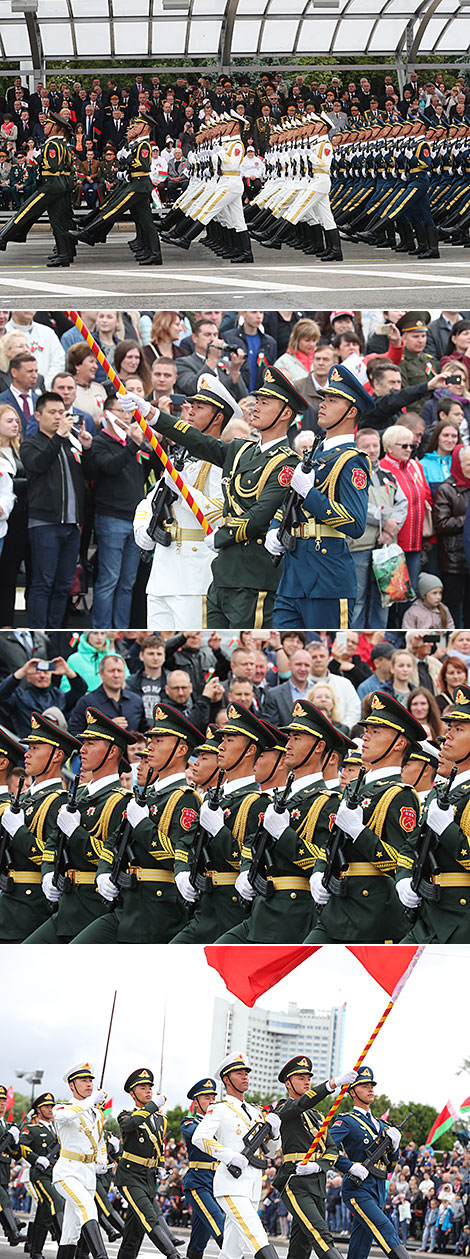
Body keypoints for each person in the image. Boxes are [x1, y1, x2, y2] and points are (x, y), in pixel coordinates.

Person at [122, 366, 303, 628]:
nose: (256, 406)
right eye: (257, 400)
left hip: (249, 573)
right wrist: (151, 414)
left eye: (265, 402)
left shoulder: (287, 462)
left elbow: (259, 515)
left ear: (286, 413)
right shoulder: (241, 451)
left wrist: (219, 534)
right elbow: (197, 440)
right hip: (218, 575)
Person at [219, 701, 350, 943]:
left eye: (297, 738)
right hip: (261, 910)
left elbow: (326, 862)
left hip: (293, 915)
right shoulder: (278, 799)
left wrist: (284, 835)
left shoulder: (329, 802)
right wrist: (247, 869)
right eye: (289, 737)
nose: (287, 745)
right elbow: (252, 843)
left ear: (319, 747)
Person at [74, 702, 201, 944]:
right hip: (128, 904)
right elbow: (113, 843)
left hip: (158, 909)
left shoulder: (185, 798)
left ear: (181, 749)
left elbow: (178, 856)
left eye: (159, 741)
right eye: (151, 741)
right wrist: (103, 873)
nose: (150, 748)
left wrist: (142, 824)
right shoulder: (145, 797)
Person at [307, 692, 426, 943]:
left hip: (372, 917)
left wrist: (359, 833)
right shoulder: (353, 789)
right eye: (366, 731)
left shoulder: (400, 795)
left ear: (398, 743)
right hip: (337, 910)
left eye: (375, 732)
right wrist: (319, 871)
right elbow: (330, 844)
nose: (365, 738)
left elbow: (401, 862)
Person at [266, 364, 373, 629]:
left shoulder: (351, 461)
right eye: (324, 398)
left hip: (327, 578)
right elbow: (288, 504)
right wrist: (275, 527)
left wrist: (310, 494)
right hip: (293, 575)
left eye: (332, 400)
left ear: (351, 412)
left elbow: (355, 524)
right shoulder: (316, 454)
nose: (323, 404)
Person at [133, 376, 240, 629]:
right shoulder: (182, 455)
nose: (190, 411)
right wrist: (141, 527)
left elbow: (221, 515)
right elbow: (149, 499)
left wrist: (184, 490)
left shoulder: (222, 462)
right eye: (191, 405)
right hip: (162, 571)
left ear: (218, 418)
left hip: (194, 576)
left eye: (200, 408)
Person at [173, 703, 271, 942]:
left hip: (233, 909)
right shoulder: (213, 798)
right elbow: (185, 844)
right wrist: (182, 872)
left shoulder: (258, 802)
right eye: (222, 739)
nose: (221, 746)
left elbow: (250, 861)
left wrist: (218, 831)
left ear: (249, 751)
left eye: (229, 740)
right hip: (204, 908)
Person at [397, 683, 470, 941]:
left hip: (462, 921)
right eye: (449, 728)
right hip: (427, 918)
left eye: (458, 729)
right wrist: (404, 879)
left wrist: (448, 831)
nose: (447, 736)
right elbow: (410, 846)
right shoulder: (441, 793)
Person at [0, 711, 81, 943]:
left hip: (30, 907)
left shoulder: (60, 801)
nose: (27, 754)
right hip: (9, 900)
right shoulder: (24, 800)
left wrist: (19, 833)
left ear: (56, 756)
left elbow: (54, 857)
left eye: (35, 748)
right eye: (29, 747)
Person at [192, 1051, 281, 1259]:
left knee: (233, 1249)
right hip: (232, 1183)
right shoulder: (219, 1108)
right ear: (226, 1079)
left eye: (246, 1073)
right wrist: (229, 1156)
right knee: (257, 1235)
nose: (245, 1077)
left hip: (252, 1185)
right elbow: (199, 1137)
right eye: (239, 1073)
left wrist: (275, 1135)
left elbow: (270, 1152)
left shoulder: (257, 1112)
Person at [21, 391, 93, 628]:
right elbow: (38, 464)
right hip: (45, 524)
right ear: (38, 415)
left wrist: (87, 448)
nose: (58, 417)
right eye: (52, 413)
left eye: (62, 413)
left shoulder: (69, 445)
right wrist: (59, 438)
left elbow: (89, 476)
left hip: (71, 526)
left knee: (63, 585)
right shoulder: (31, 444)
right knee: (43, 583)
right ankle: (38, 630)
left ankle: (54, 630)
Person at [274, 1057, 357, 1259]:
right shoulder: (283, 1109)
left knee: (301, 1246)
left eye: (308, 1078)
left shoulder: (319, 1117)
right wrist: (333, 1084)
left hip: (316, 1183)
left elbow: (331, 1149)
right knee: (320, 1234)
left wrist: (318, 1166)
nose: (307, 1081)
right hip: (295, 1182)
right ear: (288, 1083)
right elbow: (302, 1103)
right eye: (301, 1078)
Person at [90, 393, 161, 629]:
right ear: (107, 414)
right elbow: (110, 467)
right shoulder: (100, 442)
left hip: (134, 520)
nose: (126, 416)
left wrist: (154, 439)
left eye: (127, 412)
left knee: (128, 582)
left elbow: (157, 464)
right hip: (111, 518)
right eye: (120, 411)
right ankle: (102, 627)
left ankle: (120, 626)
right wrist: (132, 444)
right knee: (109, 580)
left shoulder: (135, 443)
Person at [329, 1066, 406, 1259]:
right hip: (358, 1189)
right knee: (386, 1230)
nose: (370, 1089)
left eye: (371, 1085)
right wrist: (350, 1166)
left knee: (360, 1247)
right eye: (364, 1085)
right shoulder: (346, 1121)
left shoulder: (383, 1125)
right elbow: (325, 1149)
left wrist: (395, 1147)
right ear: (352, 1092)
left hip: (378, 1190)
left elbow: (390, 1166)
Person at [72, 113, 162, 265]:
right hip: (136, 183)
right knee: (146, 222)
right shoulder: (139, 144)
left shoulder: (144, 145)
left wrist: (128, 159)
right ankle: (154, 254)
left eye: (138, 125)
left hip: (139, 184)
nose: (135, 127)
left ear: (146, 128)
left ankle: (89, 233)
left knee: (115, 209)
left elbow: (144, 166)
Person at [114, 1067, 179, 1259]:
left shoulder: (160, 1119)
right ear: (133, 1093)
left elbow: (159, 1145)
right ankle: (173, 1255)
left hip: (149, 1178)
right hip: (130, 1176)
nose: (148, 1090)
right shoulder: (126, 1115)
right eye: (142, 1087)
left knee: (134, 1235)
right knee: (150, 1218)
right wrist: (151, 1106)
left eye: (150, 1087)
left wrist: (160, 1166)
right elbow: (129, 1125)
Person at [350, 427, 408, 629]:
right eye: (366, 446)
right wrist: (385, 520)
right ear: (356, 448)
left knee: (385, 598)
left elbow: (402, 503)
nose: (372, 450)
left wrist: (390, 530)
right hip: (359, 547)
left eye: (375, 445)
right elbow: (357, 507)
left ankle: (377, 634)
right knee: (357, 599)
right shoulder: (351, 475)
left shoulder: (387, 476)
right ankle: (354, 638)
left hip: (385, 547)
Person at [0, 112, 75, 267]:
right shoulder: (62, 145)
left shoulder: (52, 145)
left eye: (48, 124)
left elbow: (53, 166)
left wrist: (39, 159)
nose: (45, 126)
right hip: (58, 185)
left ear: (56, 128)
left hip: (50, 185)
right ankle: (64, 255)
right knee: (58, 221)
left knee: (26, 210)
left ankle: (3, 238)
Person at [52, 1062, 108, 1259]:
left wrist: (102, 1160)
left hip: (88, 1174)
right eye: (83, 1081)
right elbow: (66, 1116)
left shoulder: (97, 1114)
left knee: (71, 1231)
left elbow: (100, 1141)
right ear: (71, 1085)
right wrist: (91, 1100)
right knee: (87, 1207)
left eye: (91, 1080)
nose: (89, 1084)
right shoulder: (62, 1108)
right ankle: (101, 1256)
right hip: (66, 1173)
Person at [380, 424, 432, 598]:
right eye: (404, 446)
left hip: (415, 542)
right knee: (393, 595)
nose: (409, 449)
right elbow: (382, 504)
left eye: (412, 445)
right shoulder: (382, 470)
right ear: (388, 447)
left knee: (412, 592)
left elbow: (426, 497)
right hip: (393, 543)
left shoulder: (416, 467)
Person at [181, 1077, 225, 1259]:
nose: (212, 1101)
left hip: (217, 1182)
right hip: (198, 1182)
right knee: (218, 1223)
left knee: (200, 1238)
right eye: (207, 1098)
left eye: (213, 1097)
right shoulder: (190, 1123)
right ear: (196, 1102)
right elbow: (200, 1137)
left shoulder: (222, 1125)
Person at [19, 1091, 64, 1258]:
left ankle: (35, 1251)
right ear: (38, 1110)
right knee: (55, 1201)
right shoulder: (32, 1129)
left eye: (52, 1106)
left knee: (44, 1213)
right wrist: (37, 1159)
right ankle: (65, 1245)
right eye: (46, 1106)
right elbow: (22, 1147)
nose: (50, 1109)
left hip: (56, 1174)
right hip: (41, 1174)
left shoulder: (58, 1129)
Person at [432, 445, 470, 627]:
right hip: (454, 558)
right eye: (468, 464)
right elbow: (441, 524)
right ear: (458, 464)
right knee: (453, 604)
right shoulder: (447, 490)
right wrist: (467, 519)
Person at [68, 654, 144, 738]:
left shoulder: (136, 701)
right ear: (101, 673)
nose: (116, 675)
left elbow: (143, 731)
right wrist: (106, 729)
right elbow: (74, 733)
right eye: (111, 671)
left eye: (119, 671)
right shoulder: (87, 703)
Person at [0, 1083, 24, 1244]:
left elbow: (14, 1154)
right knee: (2, 1199)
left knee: (4, 1200)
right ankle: (13, 1231)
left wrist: (14, 1141)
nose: (2, 1104)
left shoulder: (5, 1125)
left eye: (3, 1101)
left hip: (2, 1172)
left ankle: (11, 1230)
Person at [419, 418, 461, 499]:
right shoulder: (423, 465)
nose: (450, 440)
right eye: (445, 435)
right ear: (437, 437)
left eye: (454, 436)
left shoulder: (463, 463)